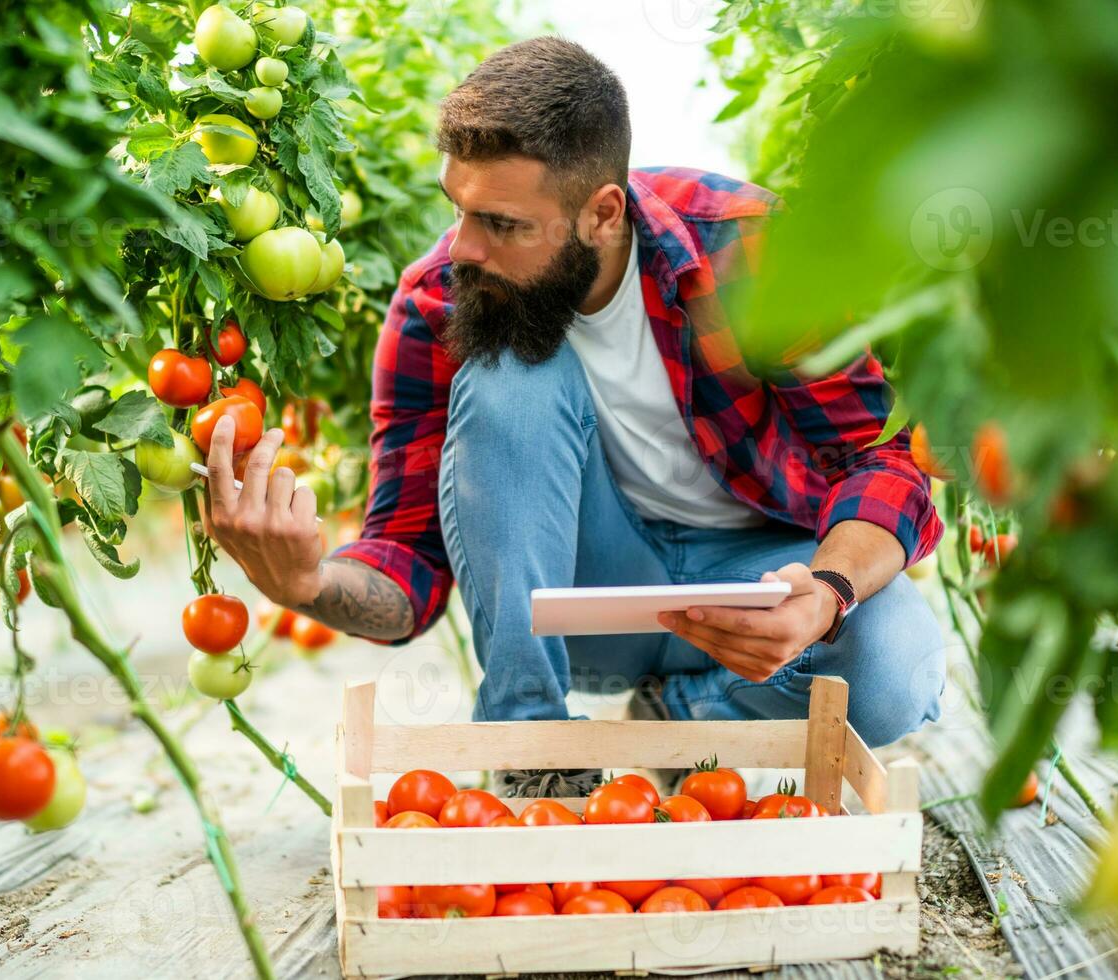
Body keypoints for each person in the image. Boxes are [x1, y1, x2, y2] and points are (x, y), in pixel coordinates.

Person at [202, 36, 946, 796]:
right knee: (507, 367)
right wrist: (306, 585)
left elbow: (879, 460)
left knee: (893, 673)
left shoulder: (751, 252)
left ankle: (678, 715)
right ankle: (533, 742)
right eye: (458, 209)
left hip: (753, 577)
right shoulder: (439, 300)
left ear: (602, 213)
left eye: (503, 223)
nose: (463, 249)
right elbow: (409, 556)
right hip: (578, 601)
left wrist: (826, 594)